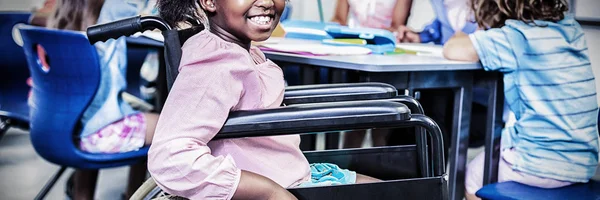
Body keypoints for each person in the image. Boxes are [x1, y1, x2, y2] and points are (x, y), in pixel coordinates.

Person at [147, 0, 380, 199]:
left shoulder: (242, 51)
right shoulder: (218, 63)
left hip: (292, 173)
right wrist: (267, 192)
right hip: (277, 185)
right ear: (209, 1)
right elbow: (169, 157)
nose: (268, 2)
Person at [443, 0, 599, 199]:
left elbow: (453, 50)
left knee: (470, 177)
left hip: (539, 165)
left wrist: (465, 34)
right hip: (582, 164)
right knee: (499, 152)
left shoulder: (516, 37)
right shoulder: (571, 30)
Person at [40, 0, 160, 199]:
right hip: (97, 133)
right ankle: (134, 195)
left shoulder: (66, 6)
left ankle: (83, 195)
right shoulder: (116, 6)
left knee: (137, 113)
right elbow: (154, 15)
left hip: (61, 128)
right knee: (168, 125)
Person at [330, 0, 413, 149]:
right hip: (354, 55)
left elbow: (396, 26)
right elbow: (338, 19)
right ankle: (345, 165)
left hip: (386, 58)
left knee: (383, 123)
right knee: (354, 121)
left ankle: (381, 167)